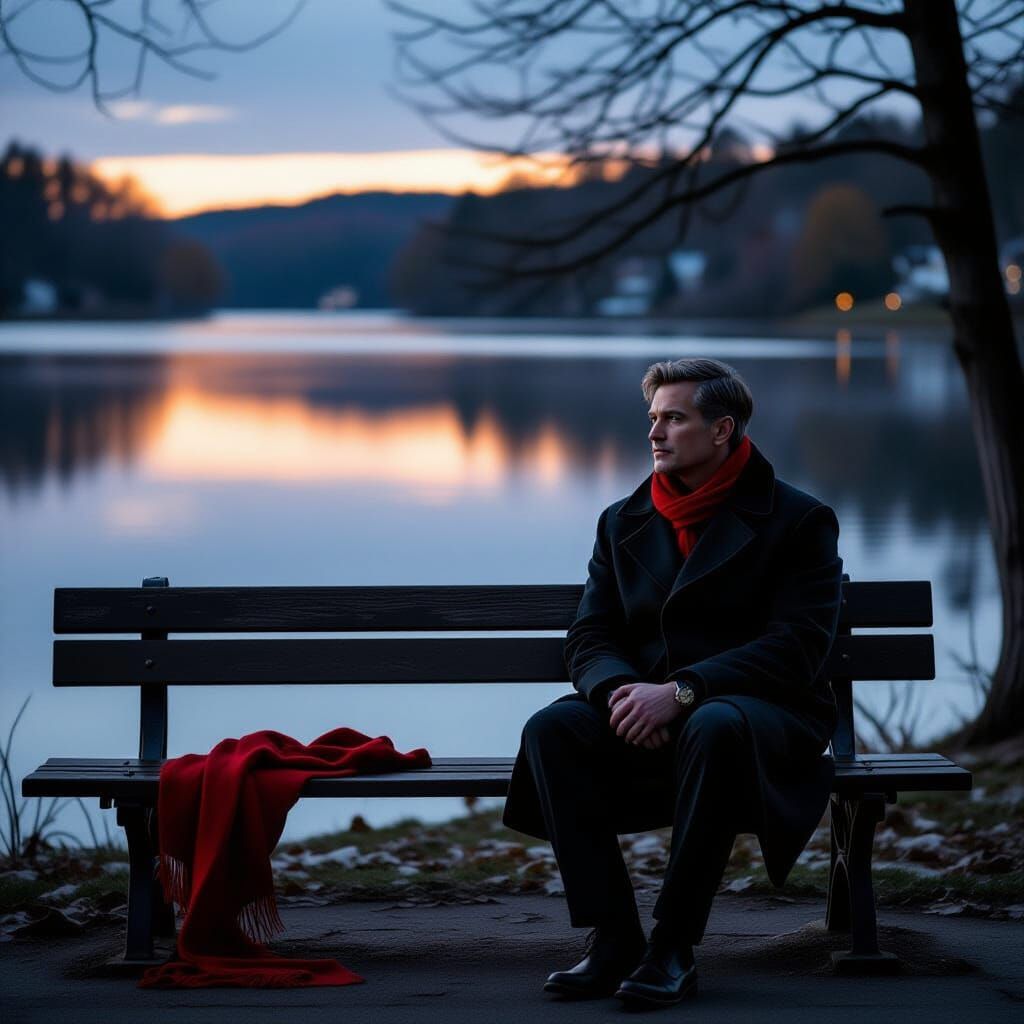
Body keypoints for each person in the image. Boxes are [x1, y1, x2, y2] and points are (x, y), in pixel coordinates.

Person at [502, 357, 843, 1008]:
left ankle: (674, 946)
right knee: (552, 728)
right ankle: (614, 940)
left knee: (713, 724)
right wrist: (617, 694)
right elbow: (590, 634)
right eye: (653, 418)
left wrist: (683, 691)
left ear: (722, 430)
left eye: (674, 419)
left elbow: (797, 646)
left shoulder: (798, 521)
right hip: (649, 707)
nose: (656, 433)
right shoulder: (623, 520)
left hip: (762, 717)